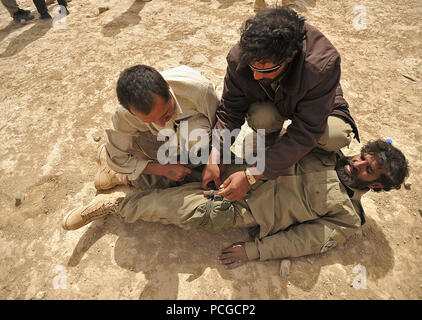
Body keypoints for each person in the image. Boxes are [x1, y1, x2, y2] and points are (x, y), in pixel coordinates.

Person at [62, 139, 409, 269]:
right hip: (243, 167)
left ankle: (116, 206)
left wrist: (255, 252)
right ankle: (125, 175)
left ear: (377, 184)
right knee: (187, 164)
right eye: (365, 157)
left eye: (369, 169)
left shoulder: (349, 218)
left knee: (185, 209)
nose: (359, 164)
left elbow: (304, 241)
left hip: (243, 208)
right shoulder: (326, 147)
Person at [201, 5, 360, 202]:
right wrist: (216, 153)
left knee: (334, 135)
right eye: (253, 67)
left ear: (291, 55)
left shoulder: (321, 66)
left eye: (266, 70)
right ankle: (273, 143)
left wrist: (251, 176)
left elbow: (306, 130)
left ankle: (296, 154)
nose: (256, 76)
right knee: (262, 117)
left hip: (316, 103)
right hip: (273, 101)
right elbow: (230, 110)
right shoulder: (241, 57)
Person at [94, 64, 219, 192]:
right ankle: (117, 175)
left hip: (197, 144)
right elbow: (118, 158)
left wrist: (214, 160)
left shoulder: (200, 90)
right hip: (153, 147)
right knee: (168, 186)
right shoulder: (123, 115)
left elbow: (222, 126)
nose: (161, 124)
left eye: (165, 114)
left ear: (167, 87)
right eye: (151, 121)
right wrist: (163, 169)